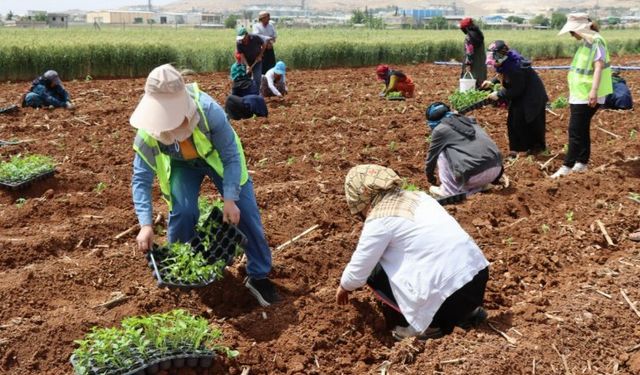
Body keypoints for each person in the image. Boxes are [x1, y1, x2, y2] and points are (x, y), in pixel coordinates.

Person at [130, 64, 279, 306]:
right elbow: (140, 178)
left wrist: (230, 199)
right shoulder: (148, 131)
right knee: (183, 211)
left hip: (218, 159)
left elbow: (230, 156)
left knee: (246, 213)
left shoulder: (208, 110)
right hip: (182, 165)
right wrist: (145, 224)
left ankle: (258, 276)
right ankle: (183, 268)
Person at [337, 164, 490, 340]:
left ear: (362, 197)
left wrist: (344, 286)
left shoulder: (379, 219)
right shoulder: (420, 197)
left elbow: (359, 270)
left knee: (374, 271)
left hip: (446, 298)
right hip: (477, 277)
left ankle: (427, 326)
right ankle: (468, 314)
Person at [551, 13, 613, 179]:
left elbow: (598, 67)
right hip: (580, 92)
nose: (572, 35)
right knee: (582, 127)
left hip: (587, 93)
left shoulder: (596, 40)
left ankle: (567, 166)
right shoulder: (588, 41)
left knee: (575, 130)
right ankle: (581, 162)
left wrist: (593, 90)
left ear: (581, 28)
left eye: (572, 31)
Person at [482, 40, 548, 157]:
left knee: (530, 121)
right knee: (514, 121)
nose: (493, 63)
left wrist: (499, 94)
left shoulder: (516, 67)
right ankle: (518, 149)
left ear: (502, 56)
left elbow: (517, 89)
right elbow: (502, 75)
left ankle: (536, 149)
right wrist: (491, 82)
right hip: (522, 95)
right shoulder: (506, 63)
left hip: (532, 97)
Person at [424, 102, 503, 198]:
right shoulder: (469, 120)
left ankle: (449, 191)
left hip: (473, 177)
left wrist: (431, 179)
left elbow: (432, 158)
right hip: (496, 170)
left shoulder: (440, 129)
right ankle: (480, 186)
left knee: (442, 152)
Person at [236, 26, 267, 94]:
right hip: (246, 61)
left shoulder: (255, 37)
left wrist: (260, 55)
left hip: (257, 61)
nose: (242, 40)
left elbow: (264, 44)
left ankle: (256, 94)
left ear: (247, 35)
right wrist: (247, 66)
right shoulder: (239, 43)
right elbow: (242, 55)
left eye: (243, 38)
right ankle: (245, 93)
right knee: (245, 77)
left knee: (257, 79)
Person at [459, 17, 487, 89]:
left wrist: (468, 64)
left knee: (470, 83)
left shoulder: (469, 37)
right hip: (481, 63)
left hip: (473, 65)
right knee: (481, 83)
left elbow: (469, 51)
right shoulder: (479, 35)